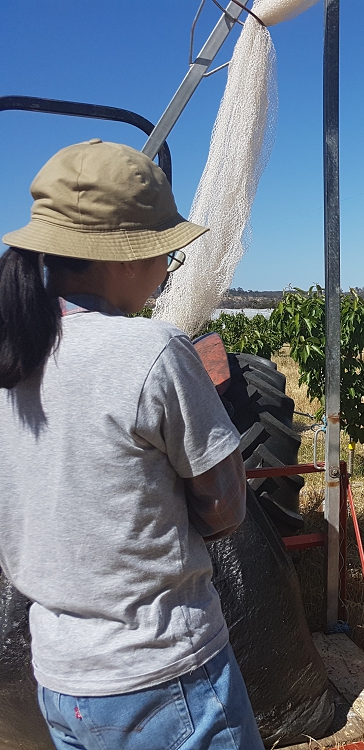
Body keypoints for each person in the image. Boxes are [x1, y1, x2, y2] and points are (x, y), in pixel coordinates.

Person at [0, 139, 264, 750]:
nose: (164, 272)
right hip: (162, 674)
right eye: (162, 255)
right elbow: (226, 507)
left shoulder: (16, 353)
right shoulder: (151, 351)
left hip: (61, 680)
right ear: (121, 258)